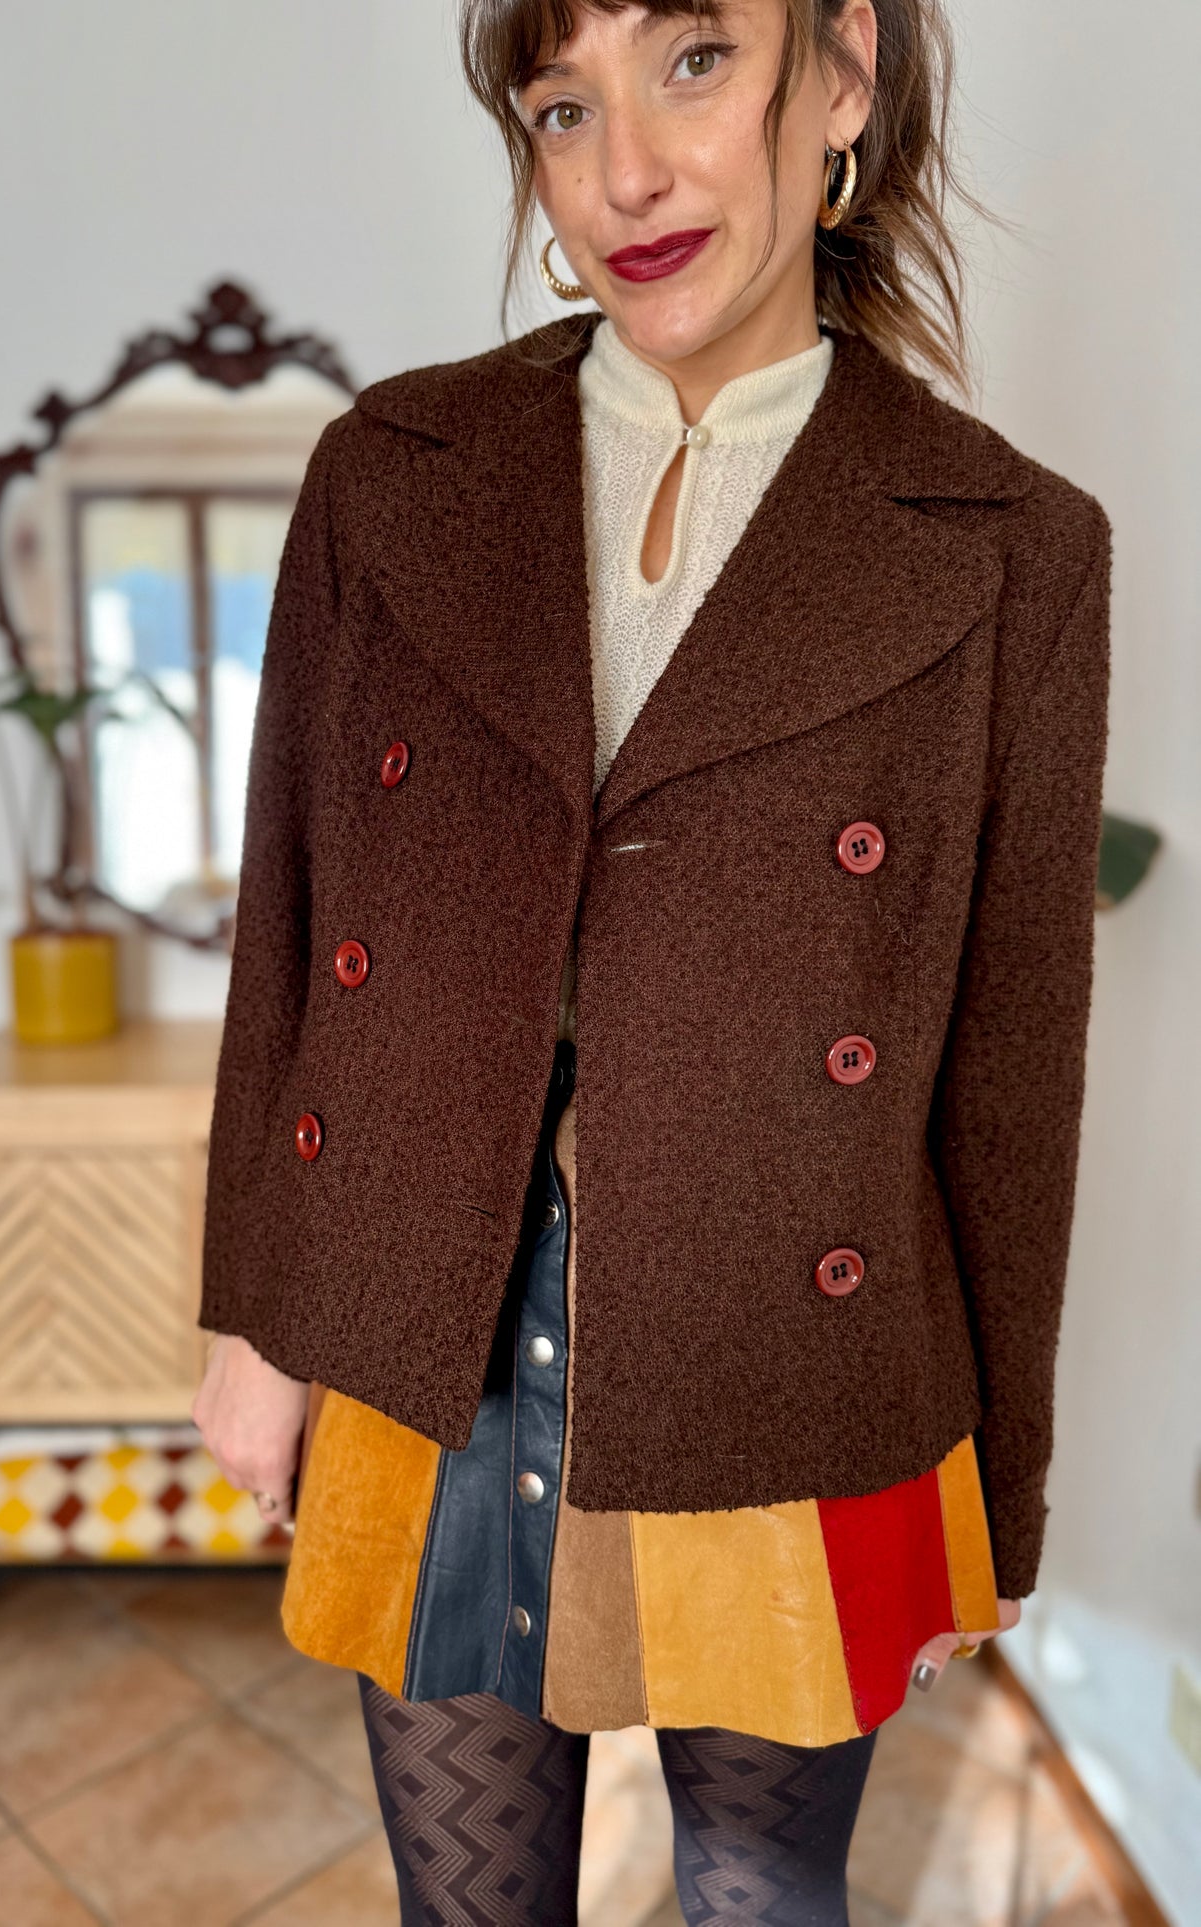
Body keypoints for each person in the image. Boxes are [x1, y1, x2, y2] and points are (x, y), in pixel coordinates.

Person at [193, 2, 1112, 1920]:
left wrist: (993, 1502)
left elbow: (1010, 1075)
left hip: (785, 1354)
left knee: (762, 1897)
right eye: (560, 103)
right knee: (469, 1904)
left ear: (839, 74)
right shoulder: (391, 470)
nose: (624, 170)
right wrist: (250, 1318)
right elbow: (288, 907)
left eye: (691, 61)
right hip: (419, 1328)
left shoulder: (1015, 547)